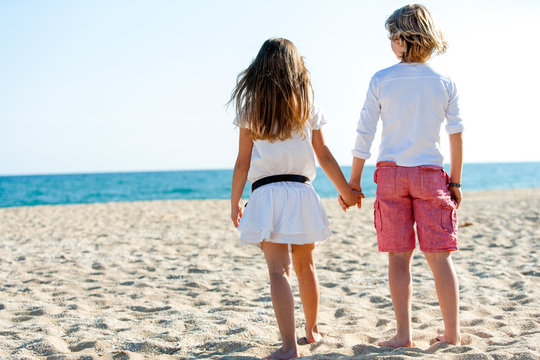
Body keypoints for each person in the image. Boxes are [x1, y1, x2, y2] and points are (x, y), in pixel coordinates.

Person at [230, 38, 361, 359]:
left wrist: (233, 202)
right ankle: (312, 330)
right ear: (296, 69)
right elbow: (324, 156)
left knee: (278, 272)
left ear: (259, 70)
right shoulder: (306, 106)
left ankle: (289, 346)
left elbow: (242, 162)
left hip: (266, 193)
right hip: (302, 192)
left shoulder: (251, 110)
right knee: (306, 267)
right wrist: (346, 191)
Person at [342, 4, 463, 347]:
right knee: (440, 257)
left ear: (400, 39)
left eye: (391, 36)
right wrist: (455, 180)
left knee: (399, 257)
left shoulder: (381, 79)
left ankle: (403, 335)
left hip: (391, 175)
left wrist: (354, 181)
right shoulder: (444, 81)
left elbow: (363, 135)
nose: (390, 43)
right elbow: (456, 135)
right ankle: (452, 335)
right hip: (430, 175)